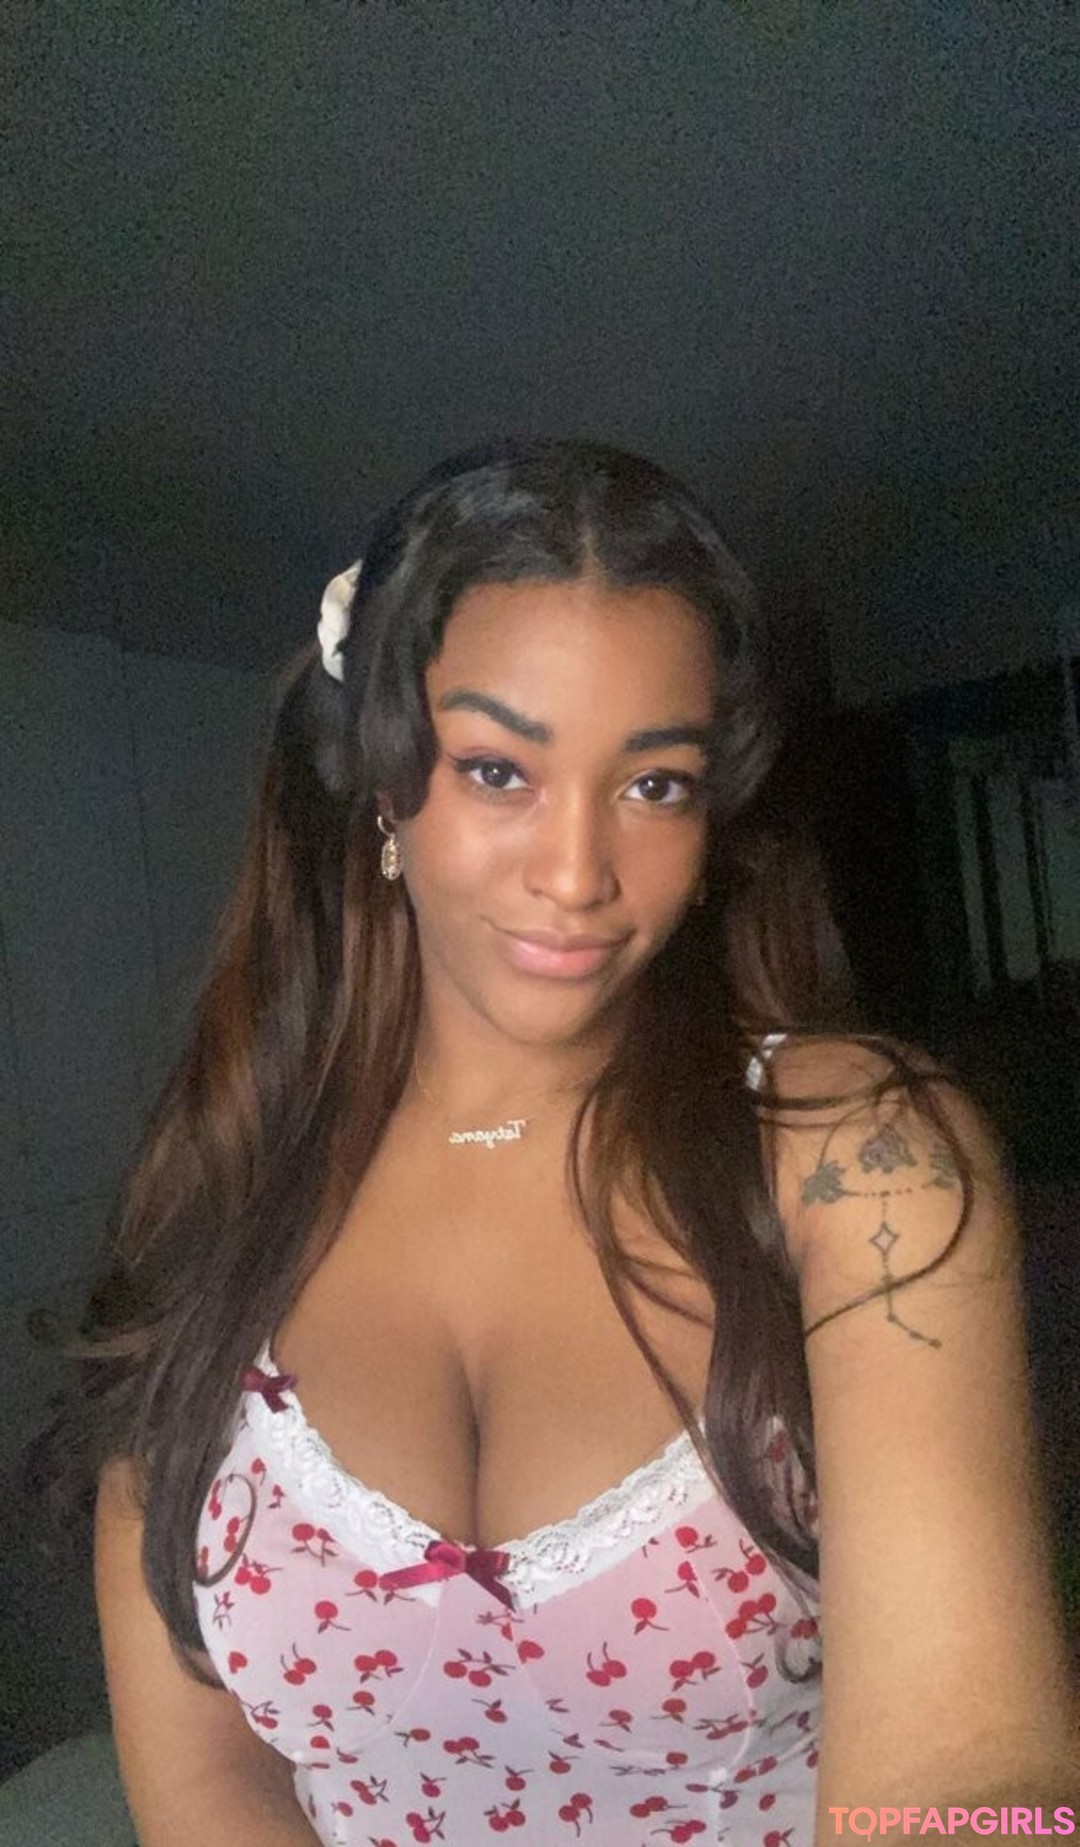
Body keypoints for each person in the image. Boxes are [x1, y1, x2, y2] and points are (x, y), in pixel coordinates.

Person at [63, 439, 1076, 1842]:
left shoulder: (854, 1159)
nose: (578, 874)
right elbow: (208, 1782)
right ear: (385, 787)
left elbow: (980, 1788)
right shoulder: (224, 1201)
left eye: (655, 785)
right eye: (499, 770)